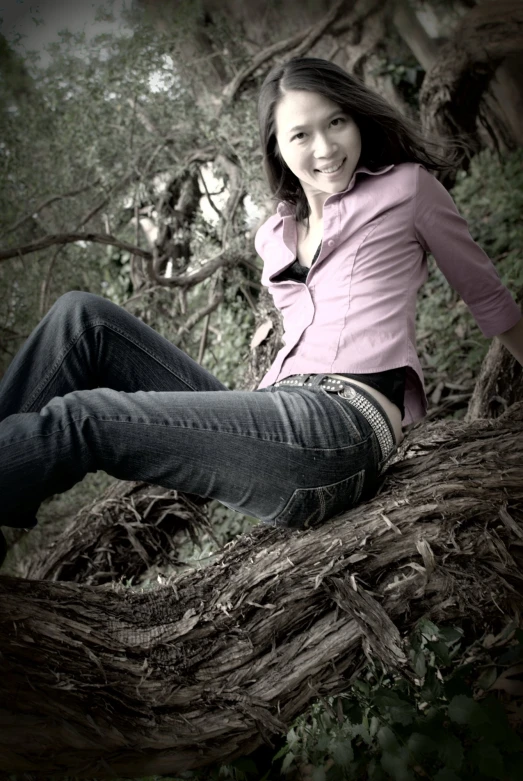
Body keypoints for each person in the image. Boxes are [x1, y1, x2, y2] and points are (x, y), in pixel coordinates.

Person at [0, 57, 522, 565]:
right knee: (82, 318)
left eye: (336, 122)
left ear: (356, 117)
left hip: (343, 428)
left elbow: (491, 302)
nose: (325, 147)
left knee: (84, 419)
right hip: (279, 418)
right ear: (277, 145)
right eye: (301, 134)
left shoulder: (407, 190)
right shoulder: (275, 235)